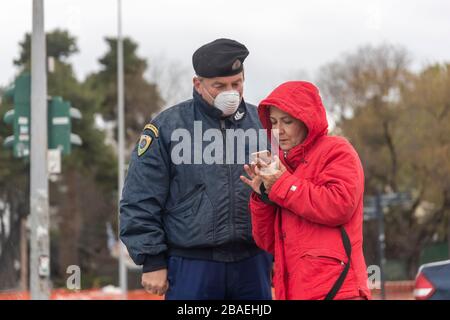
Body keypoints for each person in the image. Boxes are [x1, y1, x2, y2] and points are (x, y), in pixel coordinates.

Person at [120, 38, 272, 300]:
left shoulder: (264, 125)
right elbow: (140, 197)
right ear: (198, 84)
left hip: (253, 262)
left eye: (236, 84)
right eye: (219, 86)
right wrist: (152, 259)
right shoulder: (167, 128)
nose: (230, 92)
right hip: (191, 263)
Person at [240, 81, 371, 300]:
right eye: (272, 122)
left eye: (287, 122)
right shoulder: (281, 164)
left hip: (338, 291)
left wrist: (281, 184)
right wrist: (264, 197)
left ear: (307, 121)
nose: (277, 131)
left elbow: (339, 205)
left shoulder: (337, 150)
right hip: (293, 291)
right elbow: (268, 242)